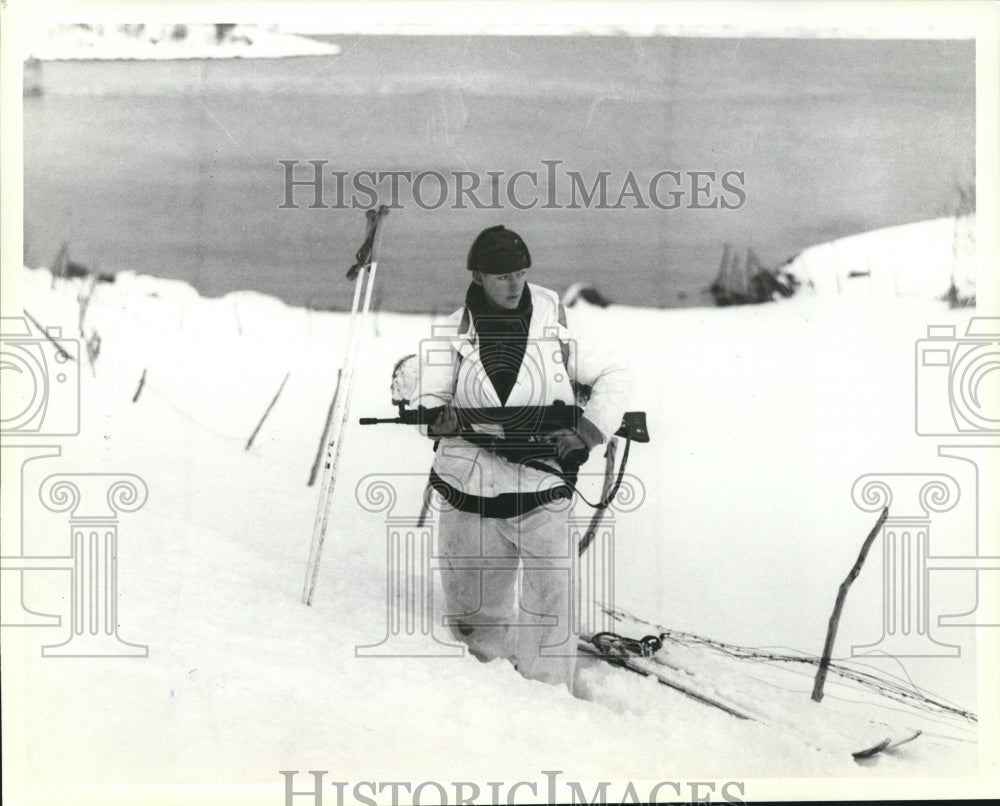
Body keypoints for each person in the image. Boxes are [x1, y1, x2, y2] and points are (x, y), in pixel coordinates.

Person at [413, 225, 631, 692]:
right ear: (478, 277)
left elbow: (615, 373)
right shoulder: (451, 330)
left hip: (541, 487)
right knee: (474, 617)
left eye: (520, 274)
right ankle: (492, 703)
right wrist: (439, 418)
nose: (514, 286)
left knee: (550, 611)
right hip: (470, 492)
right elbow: (426, 400)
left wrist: (589, 431)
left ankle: (552, 700)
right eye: (502, 277)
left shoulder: (561, 323)